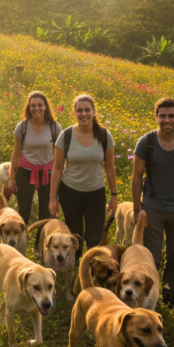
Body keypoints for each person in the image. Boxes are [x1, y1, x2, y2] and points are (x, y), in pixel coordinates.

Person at [131, 97, 174, 314]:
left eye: (171, 116)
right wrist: (137, 208)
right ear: (156, 117)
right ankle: (149, 298)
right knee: (151, 257)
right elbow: (136, 176)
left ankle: (171, 298)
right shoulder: (147, 142)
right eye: (162, 116)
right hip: (152, 208)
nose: (167, 120)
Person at [49, 94, 117, 258]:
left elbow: (109, 166)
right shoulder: (66, 136)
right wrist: (52, 198)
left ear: (94, 112)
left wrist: (114, 195)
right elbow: (57, 168)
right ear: (74, 112)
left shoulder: (104, 136)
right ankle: (74, 266)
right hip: (70, 192)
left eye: (87, 110)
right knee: (74, 234)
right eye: (79, 110)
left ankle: (91, 267)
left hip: (96, 192)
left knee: (95, 234)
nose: (83, 114)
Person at [7, 91, 62, 225]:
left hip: (49, 173)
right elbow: (16, 153)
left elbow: (60, 155)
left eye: (39, 105)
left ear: (45, 107)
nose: (36, 109)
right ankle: (21, 241)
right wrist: (12, 177)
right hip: (25, 171)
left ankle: (40, 243)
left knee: (46, 211)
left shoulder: (55, 127)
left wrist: (61, 175)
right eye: (33, 106)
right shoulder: (23, 126)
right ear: (28, 107)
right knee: (23, 210)